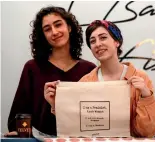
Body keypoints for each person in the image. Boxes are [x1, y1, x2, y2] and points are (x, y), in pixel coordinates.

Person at [44, 20, 155, 137]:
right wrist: (56, 104)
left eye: (103, 37)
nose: (97, 44)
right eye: (92, 41)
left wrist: (146, 95)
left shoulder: (141, 78)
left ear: (116, 42)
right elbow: (75, 129)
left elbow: (148, 132)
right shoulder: (85, 82)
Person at [5, 6, 96, 137]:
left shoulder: (89, 69)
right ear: (43, 36)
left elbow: (96, 116)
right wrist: (21, 132)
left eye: (58, 25)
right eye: (47, 29)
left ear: (69, 27)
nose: (54, 32)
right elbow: (18, 115)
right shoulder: (32, 68)